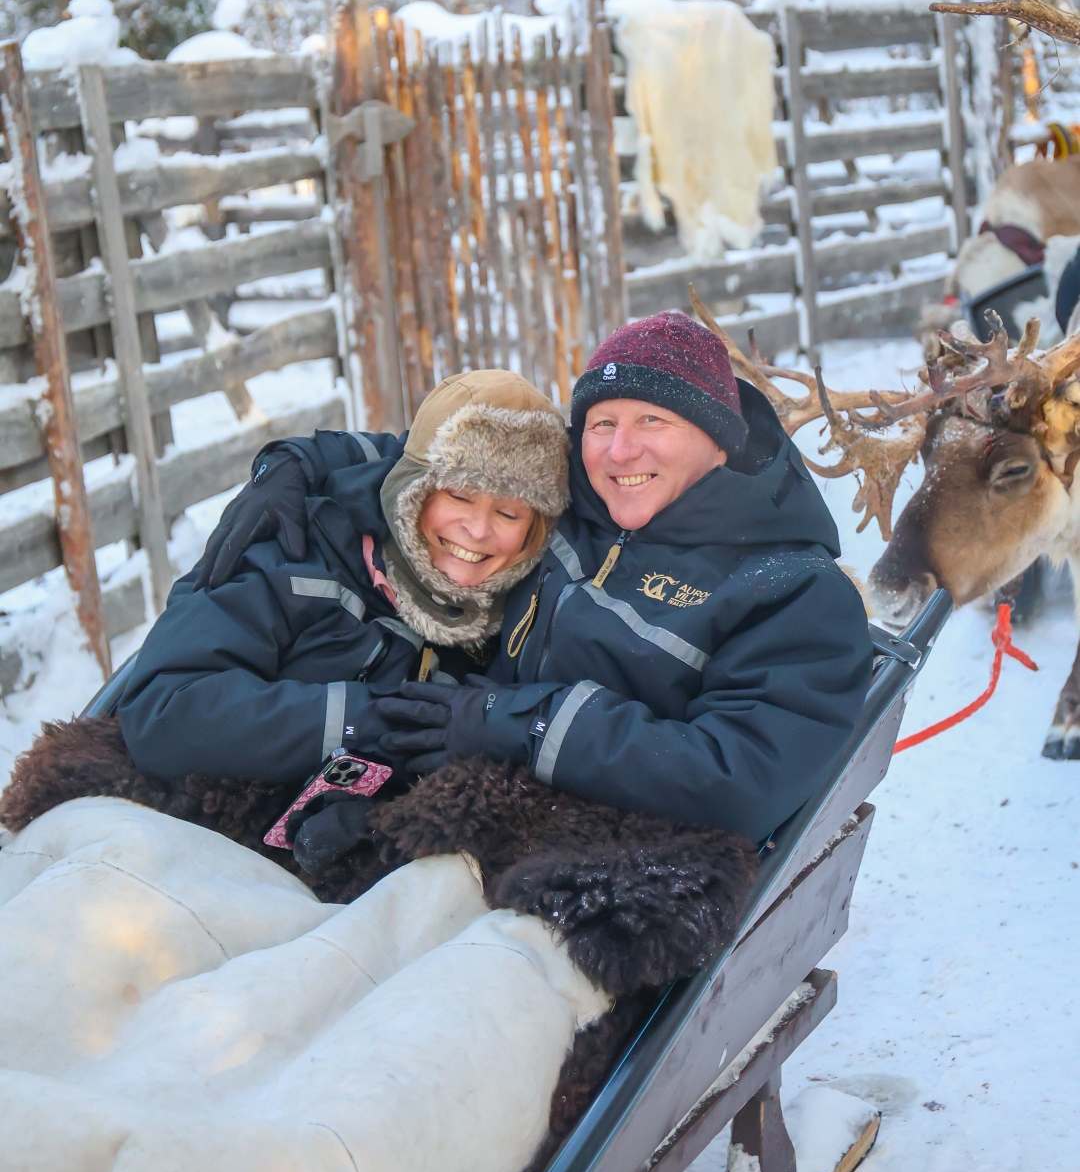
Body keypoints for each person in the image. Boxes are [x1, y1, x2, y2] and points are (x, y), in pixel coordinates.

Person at [196, 313, 873, 845]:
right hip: (483, 778)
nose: (619, 449)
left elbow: (738, 778)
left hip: (618, 844)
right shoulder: (576, 493)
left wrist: (518, 724)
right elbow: (436, 455)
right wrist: (295, 462)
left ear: (719, 439)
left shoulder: (793, 592)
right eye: (602, 423)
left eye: (653, 422)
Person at [117, 370, 570, 875]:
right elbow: (162, 710)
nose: (478, 529)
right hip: (178, 853)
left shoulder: (521, 622)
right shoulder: (295, 553)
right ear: (414, 489)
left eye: (509, 513)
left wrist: (395, 812)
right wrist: (364, 719)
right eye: (459, 496)